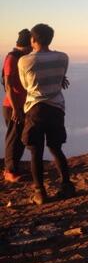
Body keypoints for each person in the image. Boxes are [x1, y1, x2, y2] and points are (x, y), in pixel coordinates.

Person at [18, 23, 75, 205]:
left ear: (33, 40)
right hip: (57, 108)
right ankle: (66, 185)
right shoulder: (63, 57)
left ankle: (40, 192)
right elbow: (60, 79)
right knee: (56, 148)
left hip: (35, 108)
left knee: (36, 151)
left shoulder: (25, 61)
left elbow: (26, 85)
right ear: (50, 39)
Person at [2, 29, 32, 182]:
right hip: (13, 106)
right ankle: (10, 171)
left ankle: (14, 167)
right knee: (14, 137)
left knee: (20, 137)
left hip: (20, 105)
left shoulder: (21, 57)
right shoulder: (12, 58)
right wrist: (16, 108)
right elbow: (8, 86)